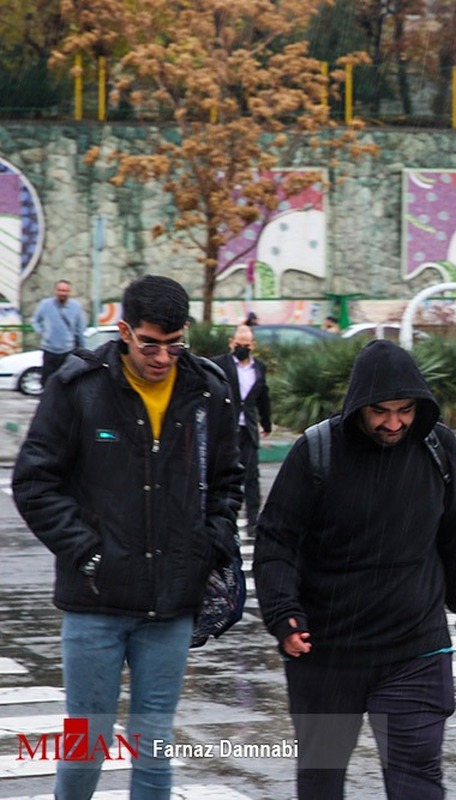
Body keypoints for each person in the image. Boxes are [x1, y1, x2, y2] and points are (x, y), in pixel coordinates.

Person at [12, 275, 243, 799]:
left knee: (154, 742)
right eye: (150, 343)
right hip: (94, 601)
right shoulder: (79, 389)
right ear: (123, 332)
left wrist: (208, 545)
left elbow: (228, 480)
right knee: (86, 743)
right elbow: (33, 481)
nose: (163, 357)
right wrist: (87, 553)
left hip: (171, 603)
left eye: (175, 343)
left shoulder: (206, 392)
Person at [253, 340, 456, 800]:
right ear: (358, 404)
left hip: (414, 650)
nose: (394, 422)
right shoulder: (317, 452)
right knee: (321, 783)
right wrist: (283, 615)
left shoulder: (438, 447)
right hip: (325, 654)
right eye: (381, 410)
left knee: (416, 780)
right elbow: (275, 540)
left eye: (405, 410)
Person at [214, 325, 272, 534]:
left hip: (247, 429)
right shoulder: (220, 365)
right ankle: (223, 519)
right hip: (226, 429)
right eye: (238, 344)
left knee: (251, 477)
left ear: (253, 345)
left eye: (246, 345)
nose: (242, 348)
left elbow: (263, 398)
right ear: (231, 343)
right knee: (224, 476)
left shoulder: (259, 368)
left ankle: (253, 521)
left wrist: (266, 424)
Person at [31, 279, 87, 383]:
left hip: (67, 351)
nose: (62, 293)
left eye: (65, 291)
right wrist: (42, 332)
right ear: (55, 291)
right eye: (60, 290)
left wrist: (82, 349)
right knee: (47, 382)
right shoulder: (45, 305)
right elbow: (35, 320)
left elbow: (80, 330)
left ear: (69, 292)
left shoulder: (76, 307)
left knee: (66, 382)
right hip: (49, 350)